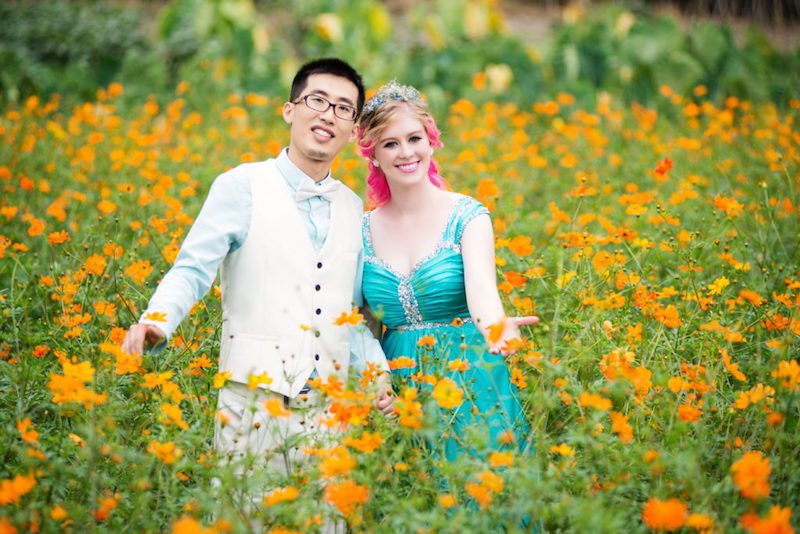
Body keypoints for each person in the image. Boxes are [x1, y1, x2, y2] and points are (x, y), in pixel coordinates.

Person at [121, 58, 394, 519]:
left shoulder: (353, 208)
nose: (328, 115)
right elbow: (192, 268)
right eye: (317, 100)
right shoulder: (241, 185)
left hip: (331, 413)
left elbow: (348, 313)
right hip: (251, 403)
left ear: (352, 130)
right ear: (290, 110)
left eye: (343, 108)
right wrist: (156, 321)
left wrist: (377, 375)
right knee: (242, 520)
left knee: (325, 525)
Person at [356, 82, 537, 460]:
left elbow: (483, 295)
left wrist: (498, 329)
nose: (406, 152)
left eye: (414, 138)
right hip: (399, 384)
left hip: (467, 375)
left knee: (475, 483)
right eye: (390, 144)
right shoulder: (361, 230)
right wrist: (376, 384)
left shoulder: (468, 217)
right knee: (410, 486)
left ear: (431, 141)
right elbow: (364, 324)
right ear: (373, 155)